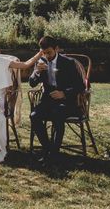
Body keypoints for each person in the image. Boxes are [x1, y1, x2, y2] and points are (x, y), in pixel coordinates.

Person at [29, 36, 86, 165]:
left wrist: (64, 93)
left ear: (57, 49)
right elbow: (32, 83)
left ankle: (53, 154)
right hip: (47, 101)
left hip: (67, 102)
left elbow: (80, 86)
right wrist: (37, 72)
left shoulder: (68, 62)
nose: (46, 55)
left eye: (49, 52)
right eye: (44, 53)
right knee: (34, 116)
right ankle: (49, 149)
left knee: (57, 114)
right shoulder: (41, 62)